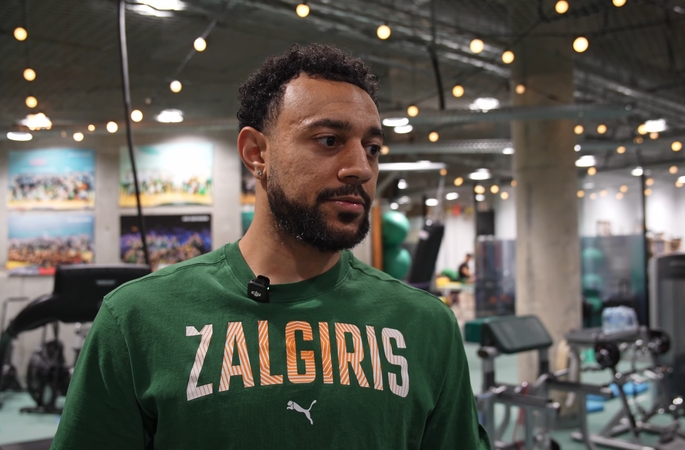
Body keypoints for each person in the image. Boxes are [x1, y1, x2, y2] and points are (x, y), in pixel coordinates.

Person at [51, 44, 490, 450]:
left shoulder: (426, 326)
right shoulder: (137, 321)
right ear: (256, 153)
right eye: (329, 140)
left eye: (372, 148)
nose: (361, 167)